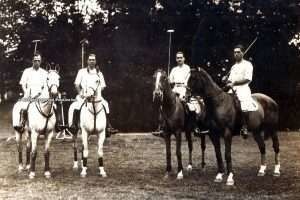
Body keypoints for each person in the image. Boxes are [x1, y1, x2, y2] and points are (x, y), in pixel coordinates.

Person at [68, 53, 118, 137]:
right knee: (74, 106)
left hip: (96, 96)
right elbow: (76, 84)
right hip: (84, 95)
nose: (91, 61)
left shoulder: (99, 73)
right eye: (90, 60)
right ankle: (74, 125)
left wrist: (96, 92)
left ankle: (108, 127)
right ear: (87, 61)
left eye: (93, 60)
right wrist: (81, 93)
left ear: (95, 61)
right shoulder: (81, 72)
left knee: (105, 104)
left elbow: (103, 86)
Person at [153, 51, 201, 137]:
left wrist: (186, 90)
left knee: (191, 106)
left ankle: (194, 127)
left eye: (181, 57)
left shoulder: (187, 68)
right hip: (175, 89)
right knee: (163, 104)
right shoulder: (173, 69)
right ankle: (161, 127)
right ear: (176, 59)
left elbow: (188, 80)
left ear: (184, 58)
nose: (179, 59)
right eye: (177, 58)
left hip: (184, 89)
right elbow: (170, 81)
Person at [12, 52, 63, 132]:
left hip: (41, 95)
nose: (37, 62)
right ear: (32, 61)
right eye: (35, 60)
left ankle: (57, 124)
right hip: (29, 95)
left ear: (41, 61)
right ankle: (22, 124)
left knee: (54, 106)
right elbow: (23, 84)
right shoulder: (27, 71)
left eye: (38, 60)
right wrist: (26, 93)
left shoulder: (44, 73)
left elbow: (48, 84)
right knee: (24, 107)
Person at [225, 44, 254, 139]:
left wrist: (234, 83)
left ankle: (244, 127)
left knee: (243, 103)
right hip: (232, 89)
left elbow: (248, 79)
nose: (236, 54)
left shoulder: (248, 64)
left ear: (243, 53)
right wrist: (226, 80)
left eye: (238, 52)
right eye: (235, 52)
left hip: (243, 88)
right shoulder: (233, 67)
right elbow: (230, 80)